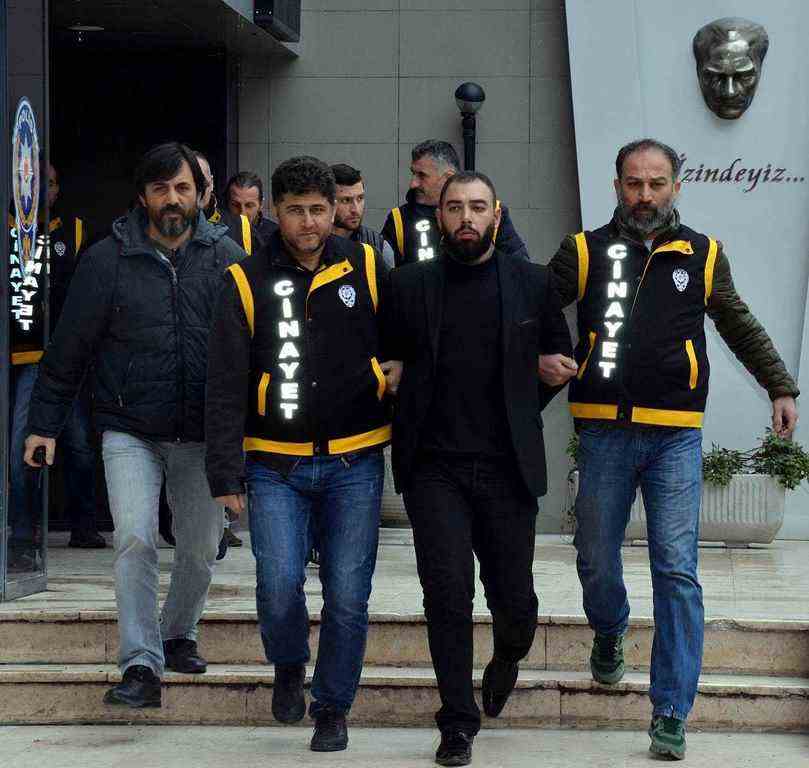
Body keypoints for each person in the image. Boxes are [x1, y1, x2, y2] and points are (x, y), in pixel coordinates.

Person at [545, 137, 799, 761]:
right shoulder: (585, 250)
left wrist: (780, 386)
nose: (645, 195)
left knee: (677, 570)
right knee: (594, 557)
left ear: (675, 187)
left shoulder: (703, 254)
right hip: (602, 431)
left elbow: (737, 323)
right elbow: (534, 310)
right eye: (634, 183)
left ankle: (670, 710)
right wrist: (544, 355)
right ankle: (610, 629)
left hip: (675, 436)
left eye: (656, 183)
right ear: (617, 187)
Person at [24, 142, 245, 708]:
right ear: (143, 196)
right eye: (160, 188)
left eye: (183, 188)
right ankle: (141, 663)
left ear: (201, 195)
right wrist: (43, 424)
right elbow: (69, 348)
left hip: (201, 432)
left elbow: (254, 347)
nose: (172, 199)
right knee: (135, 538)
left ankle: (178, 633)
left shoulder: (228, 257)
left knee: (200, 548)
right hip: (129, 428)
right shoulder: (107, 259)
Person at [205, 156, 400, 752]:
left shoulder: (366, 265)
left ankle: (333, 707)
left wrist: (391, 372)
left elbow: (402, 339)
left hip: (355, 461)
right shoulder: (245, 279)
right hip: (274, 464)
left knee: (348, 594)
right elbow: (224, 383)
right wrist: (225, 474)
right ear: (275, 211)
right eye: (296, 211)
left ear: (334, 209)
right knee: (278, 582)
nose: (309, 222)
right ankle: (288, 662)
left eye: (319, 209)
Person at [383, 171, 571, 766]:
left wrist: (526, 399)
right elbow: (386, 360)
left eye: (478, 207)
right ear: (439, 216)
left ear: (497, 214)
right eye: (455, 207)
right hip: (434, 468)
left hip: (507, 468)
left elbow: (556, 361)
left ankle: (508, 655)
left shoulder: (533, 282)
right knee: (446, 594)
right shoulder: (408, 285)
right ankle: (457, 722)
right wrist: (391, 374)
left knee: (515, 602)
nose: (467, 217)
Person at [7, 164, 102, 571]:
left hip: (67, 358)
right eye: (30, 183)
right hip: (24, 358)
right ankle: (21, 534)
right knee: (22, 445)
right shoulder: (10, 231)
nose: (39, 191)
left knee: (79, 444)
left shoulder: (75, 231)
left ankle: (84, 524)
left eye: (47, 183)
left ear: (57, 189)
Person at [381, 140, 527, 266]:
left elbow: (519, 270)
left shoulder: (492, 212)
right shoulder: (400, 219)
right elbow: (386, 278)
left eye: (422, 175)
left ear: (448, 178)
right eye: (413, 174)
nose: (413, 184)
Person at [330, 163, 395, 268]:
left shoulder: (378, 246)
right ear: (328, 202)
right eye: (346, 200)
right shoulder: (314, 245)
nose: (355, 209)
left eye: (360, 198)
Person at [224, 170, 279, 244]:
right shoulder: (218, 233)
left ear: (261, 205)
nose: (242, 213)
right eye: (235, 205)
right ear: (227, 204)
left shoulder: (275, 236)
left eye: (249, 206)